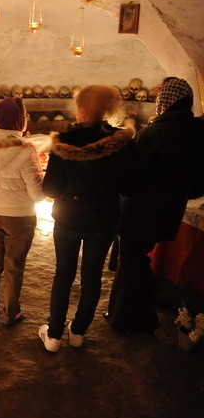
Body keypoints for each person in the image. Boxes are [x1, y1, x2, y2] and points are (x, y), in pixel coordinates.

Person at [38, 85, 135, 353]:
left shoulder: (64, 142)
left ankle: (54, 336)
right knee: (92, 276)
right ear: (107, 109)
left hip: (68, 218)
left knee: (63, 274)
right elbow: (129, 187)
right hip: (103, 220)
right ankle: (78, 332)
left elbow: (51, 190)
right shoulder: (122, 142)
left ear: (81, 109)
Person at [107, 77, 204, 333]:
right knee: (136, 260)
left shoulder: (154, 133)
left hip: (141, 211)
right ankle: (130, 315)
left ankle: (131, 320)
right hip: (169, 211)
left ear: (166, 102)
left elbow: (132, 179)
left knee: (132, 262)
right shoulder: (197, 131)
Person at [0, 97, 44, 326]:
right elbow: (38, 195)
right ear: (19, 121)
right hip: (19, 217)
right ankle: (10, 312)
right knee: (14, 267)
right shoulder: (25, 152)